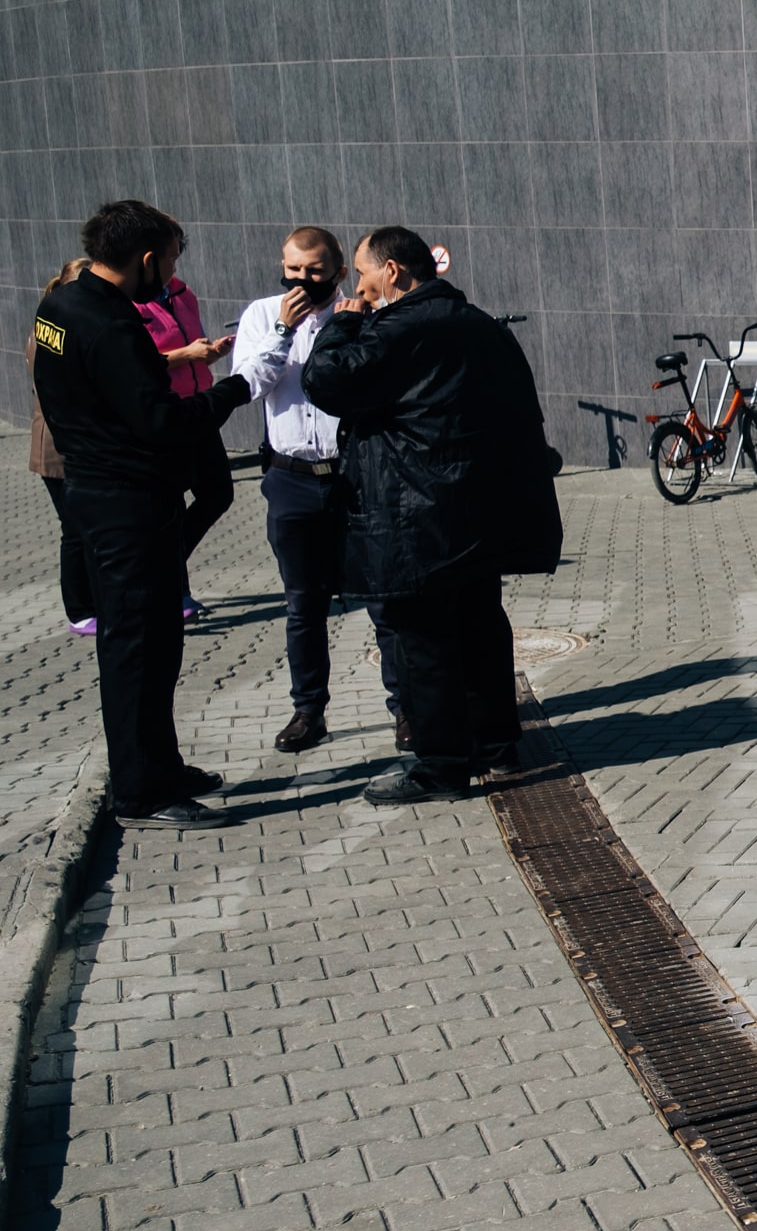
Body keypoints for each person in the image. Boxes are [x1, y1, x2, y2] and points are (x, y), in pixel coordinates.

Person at [300, 226, 563, 803]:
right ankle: (497, 746)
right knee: (481, 629)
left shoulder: (400, 327)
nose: (360, 289)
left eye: (364, 276)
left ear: (393, 271)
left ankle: (441, 767)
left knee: (424, 640)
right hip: (478, 514)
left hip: (417, 514)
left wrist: (341, 324)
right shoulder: (480, 324)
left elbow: (325, 380)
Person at [34, 201, 255, 829]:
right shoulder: (112, 323)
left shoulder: (63, 304)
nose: (172, 274)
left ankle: (161, 767)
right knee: (137, 649)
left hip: (100, 490)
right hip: (126, 503)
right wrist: (235, 389)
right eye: (172, 261)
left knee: (156, 643)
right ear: (147, 259)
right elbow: (159, 421)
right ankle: (139, 793)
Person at [231, 226, 405, 755]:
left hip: (352, 477)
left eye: (314, 271)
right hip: (291, 477)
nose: (302, 280)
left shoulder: (361, 316)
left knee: (382, 599)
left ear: (339, 273)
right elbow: (249, 384)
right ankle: (309, 711)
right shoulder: (262, 315)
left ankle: (406, 708)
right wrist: (283, 331)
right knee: (303, 604)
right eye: (293, 269)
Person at [132, 269, 235, 620]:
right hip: (166, 412)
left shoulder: (181, 293)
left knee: (218, 494)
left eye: (176, 256)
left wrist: (209, 352)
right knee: (171, 507)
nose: (173, 266)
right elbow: (137, 364)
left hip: (198, 406)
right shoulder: (128, 301)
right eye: (169, 256)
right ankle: (175, 590)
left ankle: (163, 566)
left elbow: (192, 346)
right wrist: (187, 354)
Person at [26, 259, 98, 637]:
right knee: (74, 529)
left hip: (79, 445)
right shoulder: (49, 330)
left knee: (88, 527)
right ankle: (79, 610)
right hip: (57, 448)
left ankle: (94, 600)